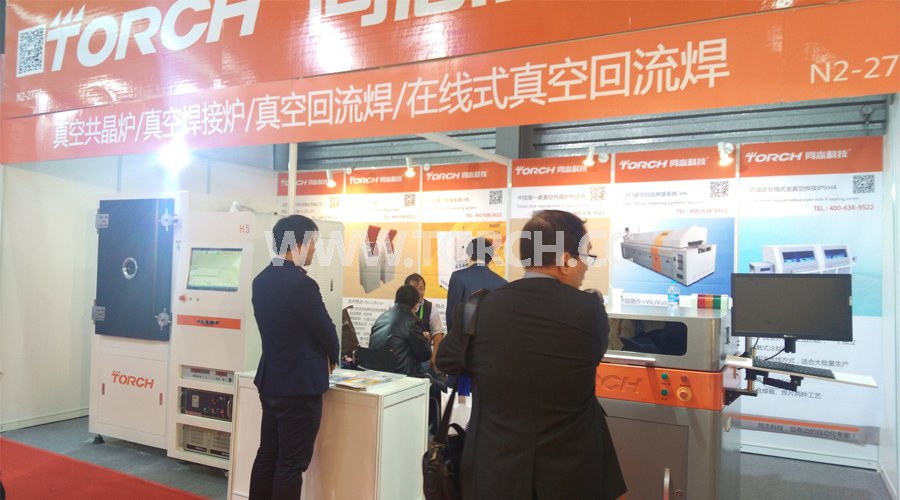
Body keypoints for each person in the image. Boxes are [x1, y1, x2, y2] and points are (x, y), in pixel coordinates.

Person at [437, 209, 627, 500]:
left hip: (493, 474)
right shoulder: (589, 311)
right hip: (572, 476)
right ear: (565, 260)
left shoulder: (480, 308)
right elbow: (590, 355)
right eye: (586, 256)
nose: (586, 266)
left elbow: (446, 360)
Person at [249, 215, 340, 500]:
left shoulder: (261, 280)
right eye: (312, 243)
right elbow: (325, 330)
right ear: (297, 244)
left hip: (271, 379)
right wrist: (333, 356)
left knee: (267, 454)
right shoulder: (301, 284)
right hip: (299, 386)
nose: (314, 249)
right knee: (290, 464)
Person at [445, 236, 507, 399]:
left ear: (469, 253)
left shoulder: (458, 277)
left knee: (460, 406)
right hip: (490, 360)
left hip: (463, 357)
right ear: (490, 257)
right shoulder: (502, 283)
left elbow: (451, 319)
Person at [368, 285, 433, 376]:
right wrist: (426, 339)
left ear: (395, 300)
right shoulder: (412, 321)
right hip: (401, 375)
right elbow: (424, 355)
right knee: (429, 367)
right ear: (415, 305)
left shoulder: (382, 317)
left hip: (376, 372)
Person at [403, 273, 445, 367]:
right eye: (414, 289)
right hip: (403, 355)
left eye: (421, 289)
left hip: (423, 357)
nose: (418, 292)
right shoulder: (399, 307)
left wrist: (434, 355)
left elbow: (437, 333)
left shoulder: (431, 307)